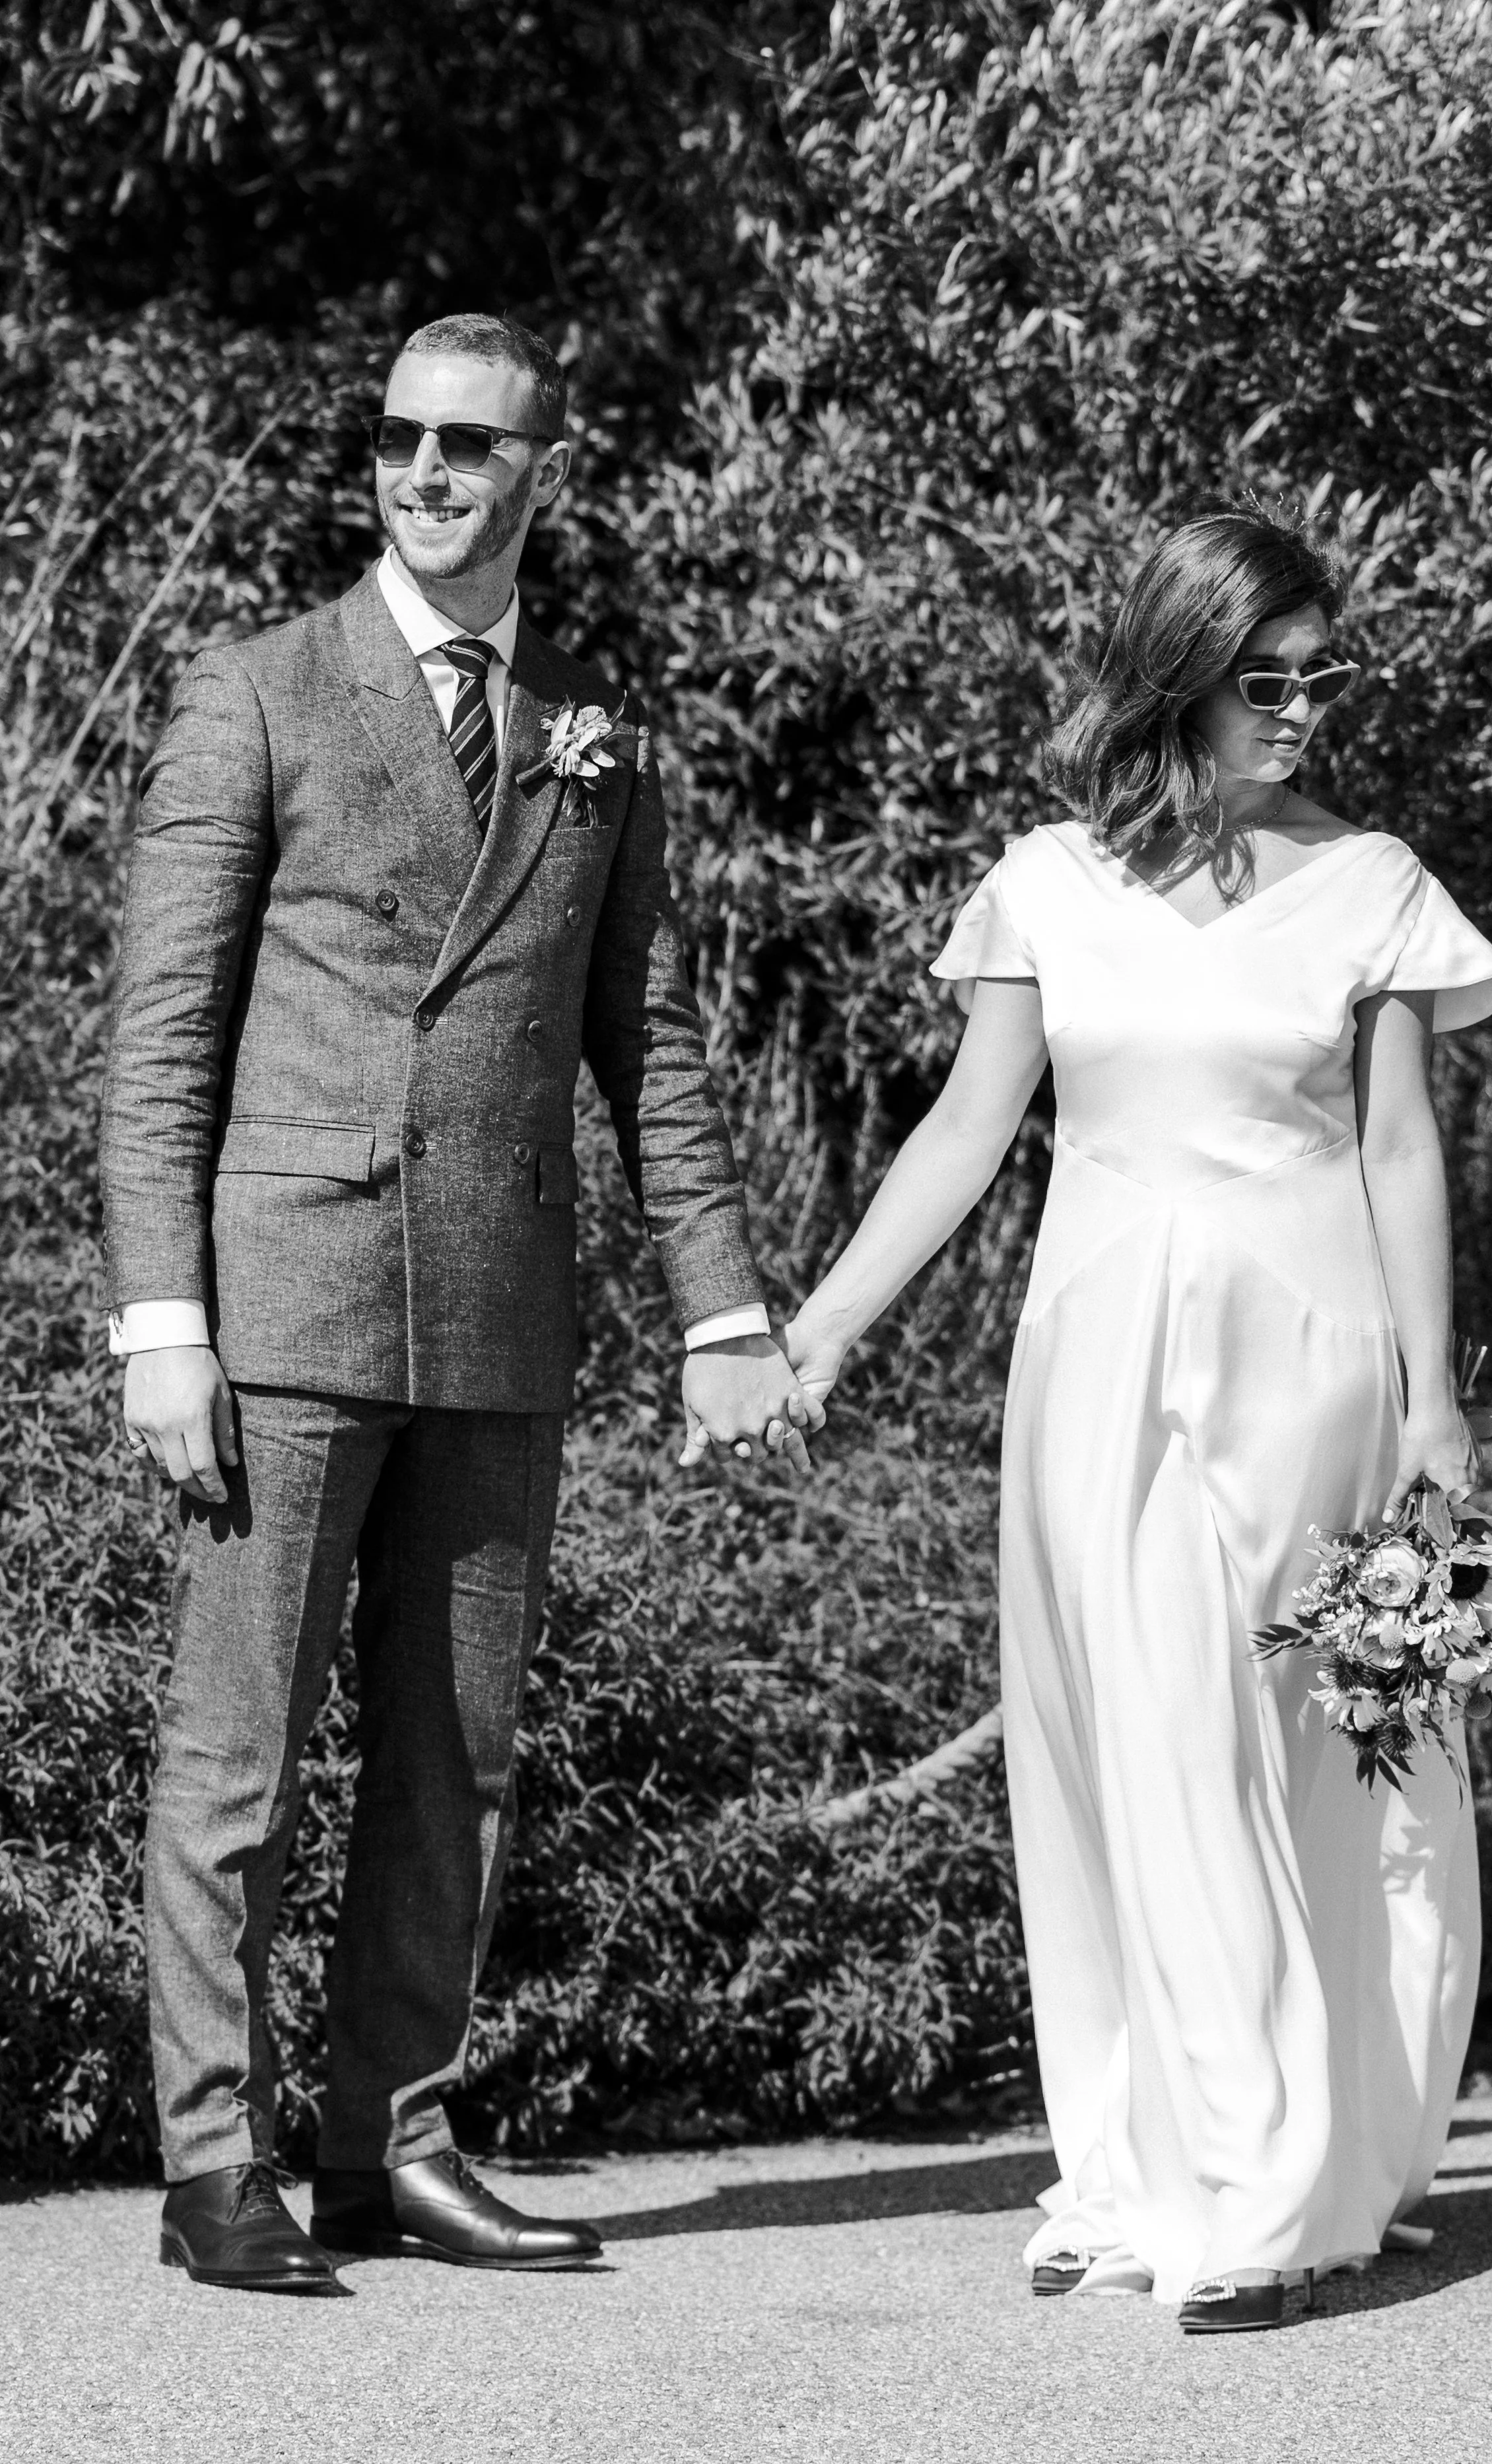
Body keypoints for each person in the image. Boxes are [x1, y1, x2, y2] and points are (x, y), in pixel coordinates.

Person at [100, 314, 817, 2294]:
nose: (428, 471)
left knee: (456, 1755)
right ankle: (209, 2162)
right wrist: (162, 1314)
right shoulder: (256, 693)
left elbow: (649, 1045)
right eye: (404, 437)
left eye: (472, 445)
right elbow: (159, 1041)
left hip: (502, 1312)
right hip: (290, 1302)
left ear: (536, 471)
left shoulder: (600, 731)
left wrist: (721, 1309)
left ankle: (390, 2146)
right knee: (237, 1756)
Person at [781, 505, 1492, 2330]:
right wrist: (818, 1333)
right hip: (1099, 1369)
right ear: (1178, 676)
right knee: (1127, 1757)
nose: (1301, 710)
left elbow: (1402, 1146)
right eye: (1263, 679)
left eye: (1322, 675)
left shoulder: (1378, 881)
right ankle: (1139, 2163)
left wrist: (1439, 1410)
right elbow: (967, 1134)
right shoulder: (1048, 880)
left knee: (1311, 1768)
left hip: (1319, 1367)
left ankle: (1280, 2183)